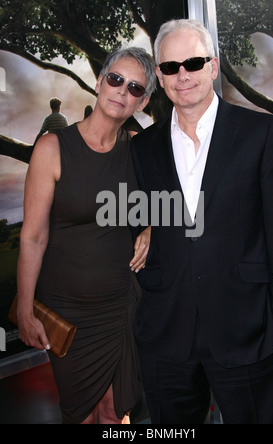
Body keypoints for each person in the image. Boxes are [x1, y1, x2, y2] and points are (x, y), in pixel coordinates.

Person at [131, 19, 273, 425]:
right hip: (166, 337)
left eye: (193, 62)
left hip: (247, 332)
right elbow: (141, 215)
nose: (182, 75)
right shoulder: (144, 148)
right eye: (170, 67)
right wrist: (152, 225)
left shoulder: (261, 132)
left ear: (213, 65)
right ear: (160, 76)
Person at [17, 47, 156, 424]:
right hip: (67, 312)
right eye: (115, 79)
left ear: (141, 101)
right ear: (99, 81)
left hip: (120, 307)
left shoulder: (139, 150)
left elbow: (168, 204)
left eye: (134, 88)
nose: (121, 91)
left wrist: (149, 228)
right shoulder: (52, 148)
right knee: (81, 414)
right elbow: (32, 238)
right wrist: (25, 310)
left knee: (115, 412)